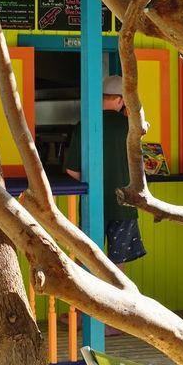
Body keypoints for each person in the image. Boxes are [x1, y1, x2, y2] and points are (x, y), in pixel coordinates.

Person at [64, 75, 147, 269]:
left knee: (89, 261)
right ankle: (117, 299)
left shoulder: (84, 126)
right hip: (124, 205)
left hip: (92, 205)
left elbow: (72, 171)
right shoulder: (131, 128)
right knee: (118, 267)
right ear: (121, 99)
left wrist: (93, 183)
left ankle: (91, 299)